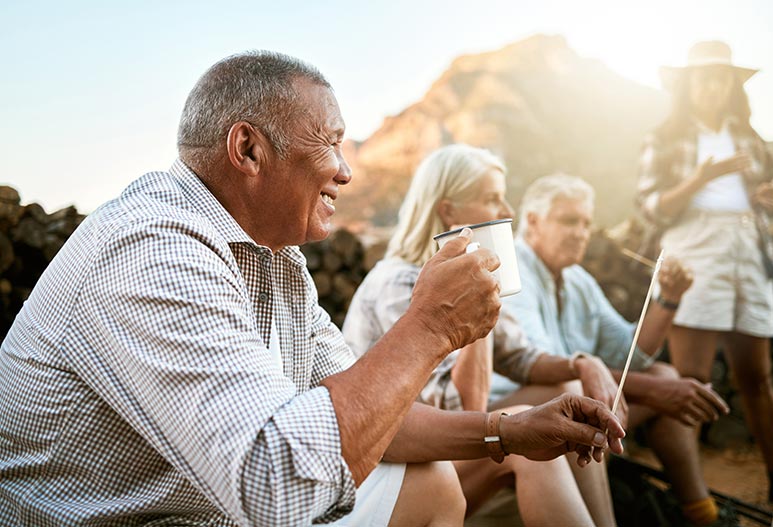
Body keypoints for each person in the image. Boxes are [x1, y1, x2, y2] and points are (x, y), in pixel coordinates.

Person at [0, 51, 626, 526]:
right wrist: (431, 327)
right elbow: (275, 488)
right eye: (330, 142)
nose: (347, 171)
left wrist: (509, 431)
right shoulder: (151, 250)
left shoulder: (274, 257)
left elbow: (377, 420)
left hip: (213, 499)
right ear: (247, 148)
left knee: (432, 482)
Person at [344, 144, 621, 526]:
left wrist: (582, 362)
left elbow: (521, 358)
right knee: (527, 437)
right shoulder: (399, 283)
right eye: (492, 199)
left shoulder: (466, 278)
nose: (507, 211)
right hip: (396, 468)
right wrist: (478, 308)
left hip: (443, 447)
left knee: (572, 390)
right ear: (448, 212)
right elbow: (464, 408)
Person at [503, 173, 732, 527]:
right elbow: (546, 366)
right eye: (569, 221)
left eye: (585, 223)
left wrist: (668, 299)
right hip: (513, 411)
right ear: (532, 221)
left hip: (567, 395)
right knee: (576, 393)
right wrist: (657, 392)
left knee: (662, 374)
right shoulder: (515, 274)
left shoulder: (577, 279)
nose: (581, 233)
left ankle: (700, 513)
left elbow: (630, 355)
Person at [636, 40, 773, 504]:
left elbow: (769, 194)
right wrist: (702, 177)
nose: (713, 86)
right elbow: (650, 207)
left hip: (746, 246)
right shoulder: (664, 138)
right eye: (704, 78)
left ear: (731, 86)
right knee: (693, 379)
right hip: (694, 247)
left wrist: (770, 200)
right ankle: (693, 493)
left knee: (756, 375)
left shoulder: (749, 137)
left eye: (721, 78)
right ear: (688, 85)